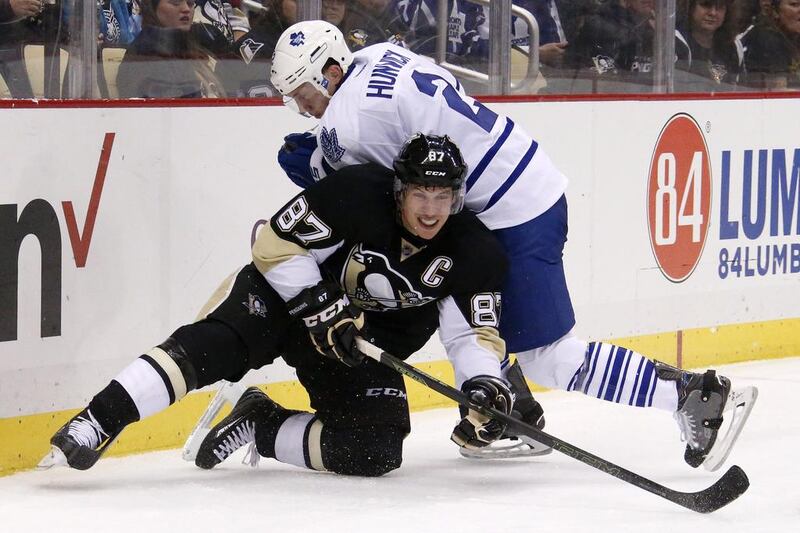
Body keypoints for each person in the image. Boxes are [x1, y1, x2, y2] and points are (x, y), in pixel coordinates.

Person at [268, 20, 757, 468]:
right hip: (519, 178)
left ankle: (691, 394)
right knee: (456, 294)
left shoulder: (348, 124)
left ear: (332, 71)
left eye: (305, 92)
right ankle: (512, 412)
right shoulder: (376, 54)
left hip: (514, 212)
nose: (302, 106)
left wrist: (318, 165)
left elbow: (386, 189)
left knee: (550, 355)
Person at [39, 134, 517, 476]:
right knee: (211, 347)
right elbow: (276, 245)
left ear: (457, 197)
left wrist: (482, 383)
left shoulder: (475, 251)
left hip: (352, 346)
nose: (430, 209)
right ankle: (99, 420)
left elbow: (471, 335)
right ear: (400, 191)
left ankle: (262, 422)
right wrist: (323, 307)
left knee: (375, 448)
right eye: (419, 194)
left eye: (441, 195)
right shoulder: (355, 193)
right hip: (285, 301)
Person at [116, 0, 226, 98]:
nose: (186, 9)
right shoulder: (146, 54)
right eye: (175, 3)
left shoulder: (190, 48)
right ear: (153, 8)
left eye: (190, 3)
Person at [674, 0, 742, 89]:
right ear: (690, 7)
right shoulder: (675, 42)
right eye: (705, 5)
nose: (713, 13)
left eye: (720, 7)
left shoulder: (734, 45)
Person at [739, 0, 800, 90]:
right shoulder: (765, 37)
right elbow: (778, 92)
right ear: (775, 11)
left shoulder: (794, 35)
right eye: (794, 5)